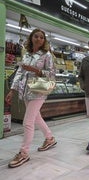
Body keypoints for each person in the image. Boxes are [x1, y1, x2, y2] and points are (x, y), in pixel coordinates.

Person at [5, 28, 57, 168]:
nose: (39, 39)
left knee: (28, 122)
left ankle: (24, 153)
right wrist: (12, 90)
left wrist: (35, 70)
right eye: (36, 36)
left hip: (39, 90)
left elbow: (51, 75)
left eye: (41, 37)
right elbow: (19, 73)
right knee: (36, 118)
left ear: (44, 40)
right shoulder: (26, 55)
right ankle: (50, 138)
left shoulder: (47, 55)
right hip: (26, 90)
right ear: (31, 38)